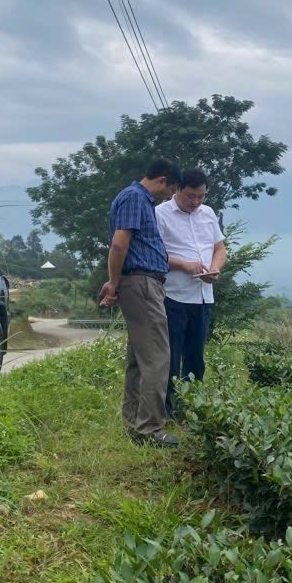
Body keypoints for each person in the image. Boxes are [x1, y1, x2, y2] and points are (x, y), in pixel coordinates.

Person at [98, 159, 182, 446]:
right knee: (158, 358)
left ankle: (134, 424)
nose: (168, 197)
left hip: (142, 284)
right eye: (170, 190)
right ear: (162, 181)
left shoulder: (136, 199)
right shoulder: (135, 198)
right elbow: (120, 244)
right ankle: (151, 430)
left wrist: (116, 282)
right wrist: (113, 282)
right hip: (143, 284)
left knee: (139, 359)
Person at [156, 168, 225, 418]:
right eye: (190, 196)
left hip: (203, 295)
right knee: (172, 356)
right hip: (174, 295)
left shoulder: (207, 214)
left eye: (201, 196)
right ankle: (168, 409)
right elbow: (156, 253)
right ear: (177, 190)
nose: (196, 202)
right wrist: (184, 265)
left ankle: (192, 406)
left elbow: (220, 248)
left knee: (196, 355)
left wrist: (215, 268)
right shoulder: (160, 214)